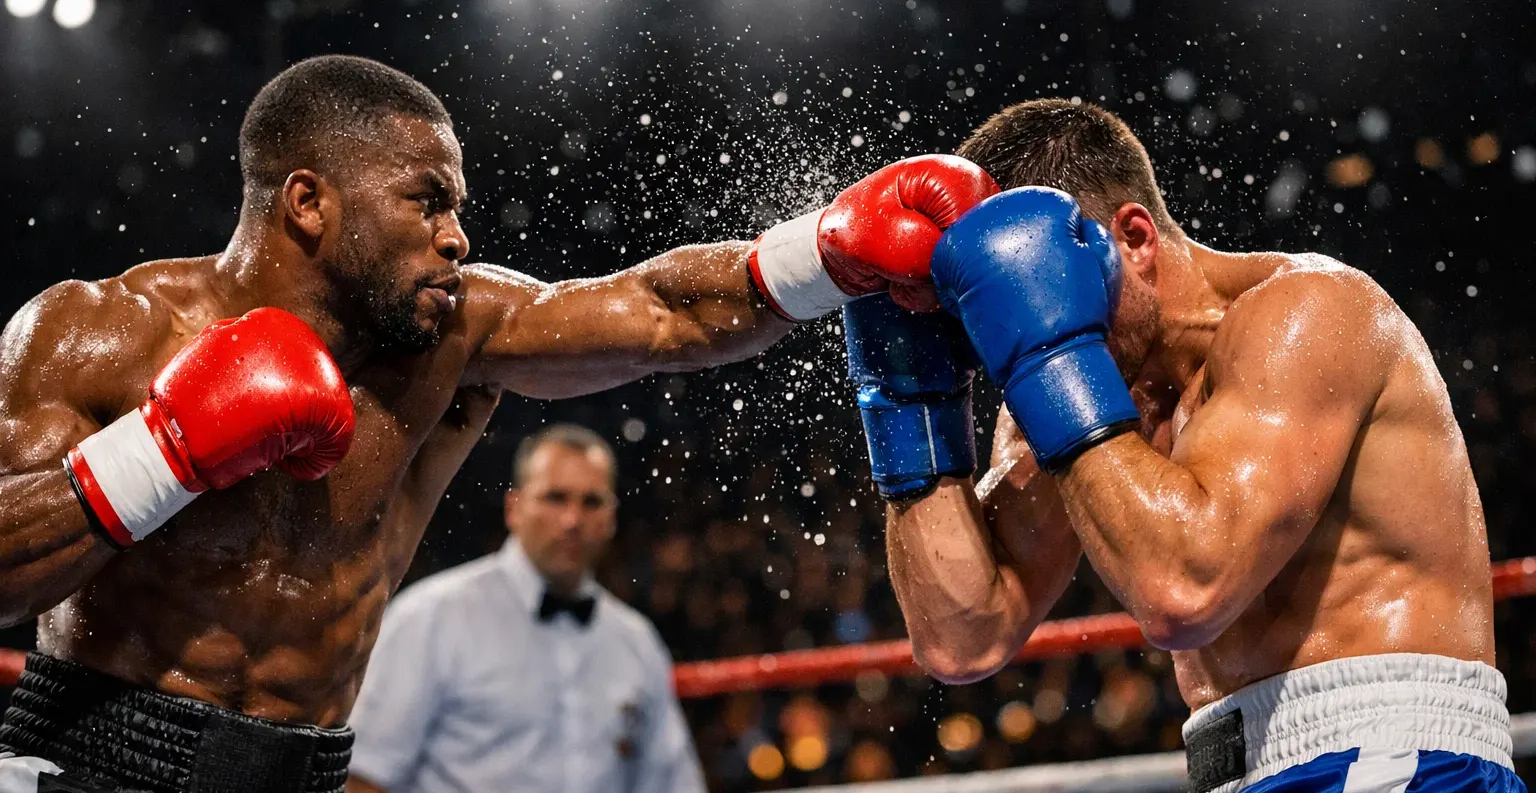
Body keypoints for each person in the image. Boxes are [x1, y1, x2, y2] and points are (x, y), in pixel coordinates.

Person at [0, 54, 998, 793]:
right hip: (89, 758)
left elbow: (659, 311)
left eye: (458, 206)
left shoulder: (452, 332)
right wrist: (161, 452)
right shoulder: (100, 334)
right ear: (308, 201)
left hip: (302, 772)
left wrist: (823, 254)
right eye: (426, 201)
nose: (457, 235)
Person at [843, 99, 1523, 793]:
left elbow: (1184, 589)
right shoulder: (1089, 385)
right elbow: (962, 635)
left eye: (1035, 291)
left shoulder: (1312, 312)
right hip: (1237, 768)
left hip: (1394, 755)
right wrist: (909, 406)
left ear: (1134, 238)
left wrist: (1054, 361)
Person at [345, 425, 703, 793]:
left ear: (611, 517)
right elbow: (365, 776)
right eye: (555, 498)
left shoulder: (637, 643)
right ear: (514, 508)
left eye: (591, 502)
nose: (572, 521)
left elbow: (673, 783)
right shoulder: (429, 618)